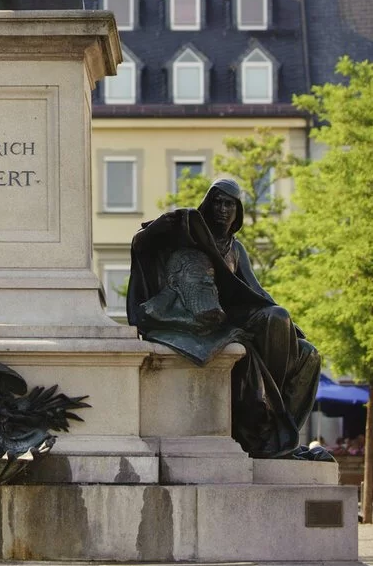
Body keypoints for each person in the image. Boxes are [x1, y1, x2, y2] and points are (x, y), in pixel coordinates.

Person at [127, 177, 328, 460]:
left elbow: (254, 292)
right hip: (207, 316)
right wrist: (161, 226)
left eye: (229, 204)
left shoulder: (236, 249)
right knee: (277, 318)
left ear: (238, 211)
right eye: (218, 202)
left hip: (239, 317)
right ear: (208, 205)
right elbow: (142, 245)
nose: (222, 209)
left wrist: (292, 331)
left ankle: (278, 433)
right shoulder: (190, 236)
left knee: (309, 354)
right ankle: (267, 423)